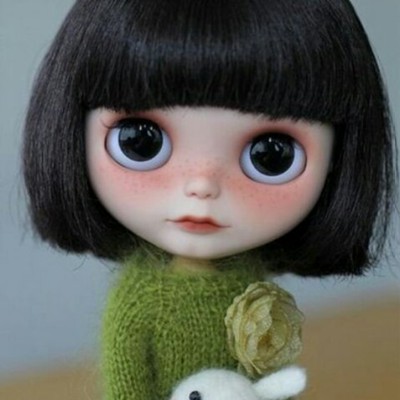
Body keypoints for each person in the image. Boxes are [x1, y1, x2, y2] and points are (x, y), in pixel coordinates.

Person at [23, 1, 396, 399]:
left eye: (271, 155)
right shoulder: (138, 302)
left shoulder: (254, 288)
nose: (201, 185)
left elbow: (269, 377)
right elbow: (127, 388)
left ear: (339, 156)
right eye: (140, 142)